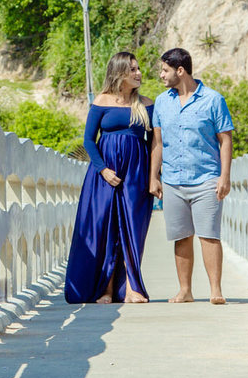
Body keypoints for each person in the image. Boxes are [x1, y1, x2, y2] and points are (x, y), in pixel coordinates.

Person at [65, 51, 155, 304]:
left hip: (136, 173)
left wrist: (153, 176)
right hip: (104, 175)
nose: (139, 73)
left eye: (138, 68)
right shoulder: (102, 101)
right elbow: (88, 140)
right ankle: (105, 289)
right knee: (107, 229)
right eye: (132, 69)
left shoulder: (146, 104)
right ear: (119, 72)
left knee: (133, 230)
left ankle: (131, 289)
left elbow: (154, 143)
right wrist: (103, 169)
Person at [149, 48, 235, 305]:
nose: (161, 75)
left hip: (206, 178)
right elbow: (158, 143)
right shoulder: (162, 102)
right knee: (181, 236)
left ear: (180, 71)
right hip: (173, 180)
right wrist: (154, 176)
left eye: (165, 70)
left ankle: (215, 290)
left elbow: (225, 139)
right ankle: (185, 290)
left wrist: (225, 176)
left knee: (209, 234)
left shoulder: (213, 100)